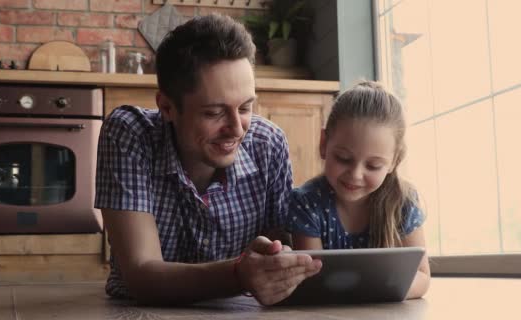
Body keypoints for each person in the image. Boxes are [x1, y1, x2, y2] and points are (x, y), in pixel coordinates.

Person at [95, 14, 322, 306]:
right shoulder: (129, 134)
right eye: (214, 112)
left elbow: (280, 254)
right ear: (167, 107)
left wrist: (277, 261)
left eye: (245, 107)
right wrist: (240, 274)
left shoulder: (269, 143)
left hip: (240, 310)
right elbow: (141, 275)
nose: (238, 129)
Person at [286, 81, 430, 299]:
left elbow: (422, 276)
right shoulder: (307, 203)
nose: (355, 174)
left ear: (395, 161)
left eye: (373, 166)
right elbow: (312, 279)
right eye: (343, 158)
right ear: (324, 143)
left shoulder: (403, 202)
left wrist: (375, 292)